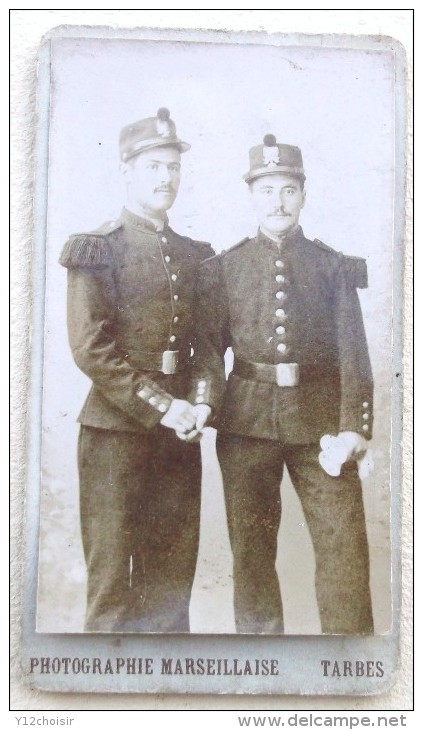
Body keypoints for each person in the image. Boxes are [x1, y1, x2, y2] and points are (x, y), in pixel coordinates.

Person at [190, 134, 374, 635]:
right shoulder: (224, 268)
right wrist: (204, 405)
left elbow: (353, 353)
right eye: (267, 189)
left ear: (303, 196)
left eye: (288, 190)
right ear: (252, 196)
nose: (278, 201)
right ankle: (261, 660)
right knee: (251, 551)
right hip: (246, 427)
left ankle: (349, 661)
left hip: (322, 429)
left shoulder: (331, 266)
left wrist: (356, 427)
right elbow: (208, 353)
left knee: (344, 547)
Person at [59, 108, 212, 633]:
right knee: (111, 589)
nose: (165, 178)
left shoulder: (196, 256)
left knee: (171, 587)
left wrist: (199, 404)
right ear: (126, 170)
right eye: (153, 166)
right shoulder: (98, 247)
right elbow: (90, 348)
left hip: (180, 435)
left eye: (172, 167)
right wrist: (163, 406)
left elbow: (207, 349)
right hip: (114, 435)